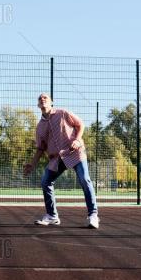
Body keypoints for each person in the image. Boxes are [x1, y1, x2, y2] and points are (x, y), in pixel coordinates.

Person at [23, 93, 99, 229]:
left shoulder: (63, 113)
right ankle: (52, 216)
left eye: (45, 97)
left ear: (51, 102)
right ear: (38, 105)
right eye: (40, 98)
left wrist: (77, 139)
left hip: (75, 152)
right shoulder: (39, 127)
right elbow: (40, 148)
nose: (42, 99)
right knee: (45, 181)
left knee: (84, 179)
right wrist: (32, 164)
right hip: (57, 158)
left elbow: (80, 124)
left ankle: (93, 215)